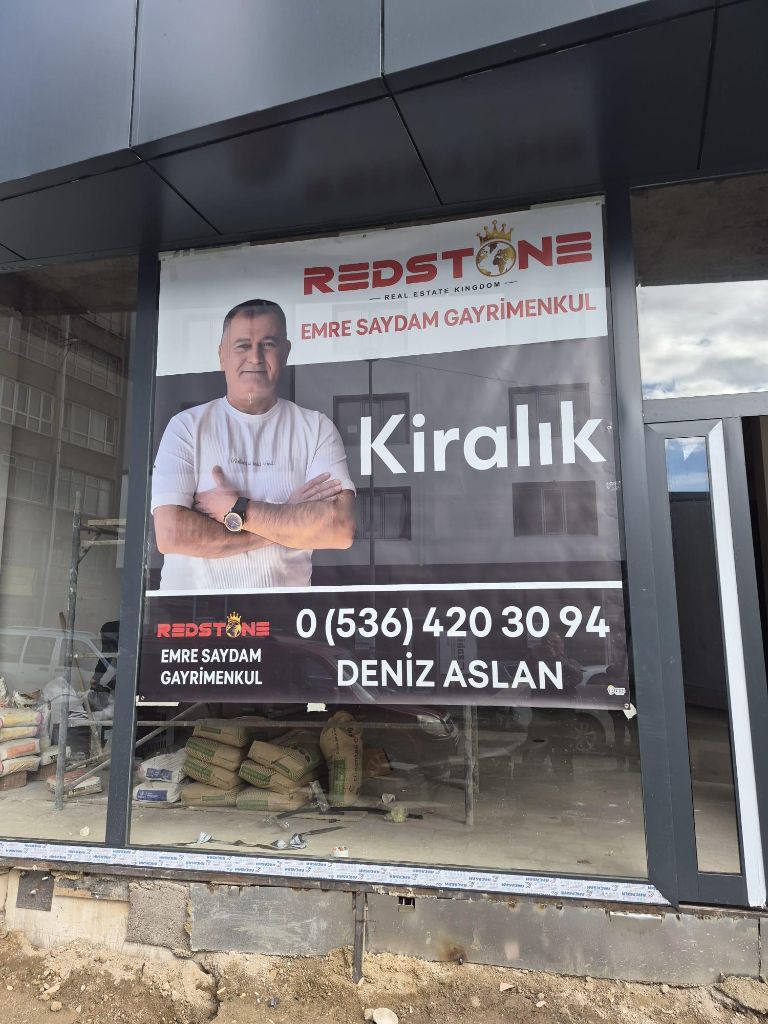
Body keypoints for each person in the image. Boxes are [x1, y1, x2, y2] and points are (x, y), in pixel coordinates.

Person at [151, 298, 355, 590]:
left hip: (283, 613)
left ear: (286, 352)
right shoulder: (186, 427)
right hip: (192, 613)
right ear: (222, 356)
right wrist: (285, 517)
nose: (255, 357)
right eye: (242, 346)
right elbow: (172, 534)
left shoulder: (316, 429)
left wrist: (236, 509)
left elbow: (339, 528)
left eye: (268, 344)